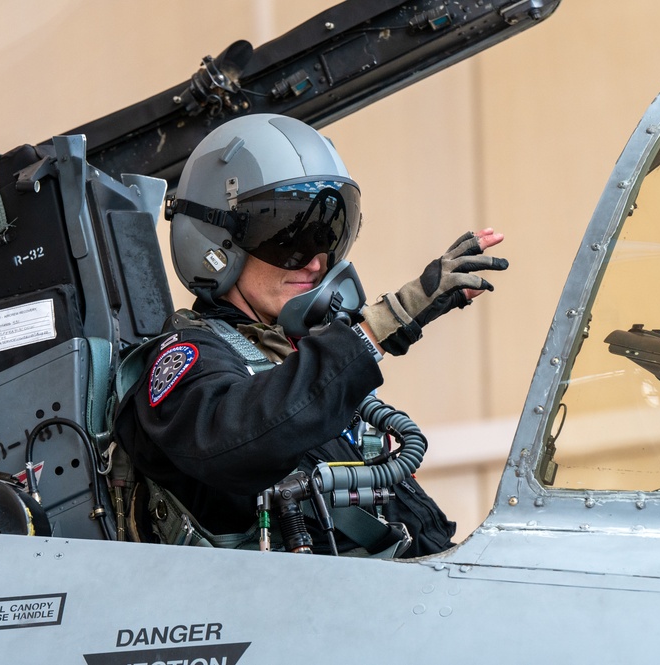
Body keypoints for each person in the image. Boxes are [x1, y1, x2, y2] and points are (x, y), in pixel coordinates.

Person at [116, 113, 507, 558]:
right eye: (289, 239)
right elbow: (236, 436)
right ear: (216, 242)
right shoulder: (187, 360)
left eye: (328, 236)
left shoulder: (288, 358)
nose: (317, 263)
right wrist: (377, 327)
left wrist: (398, 323)